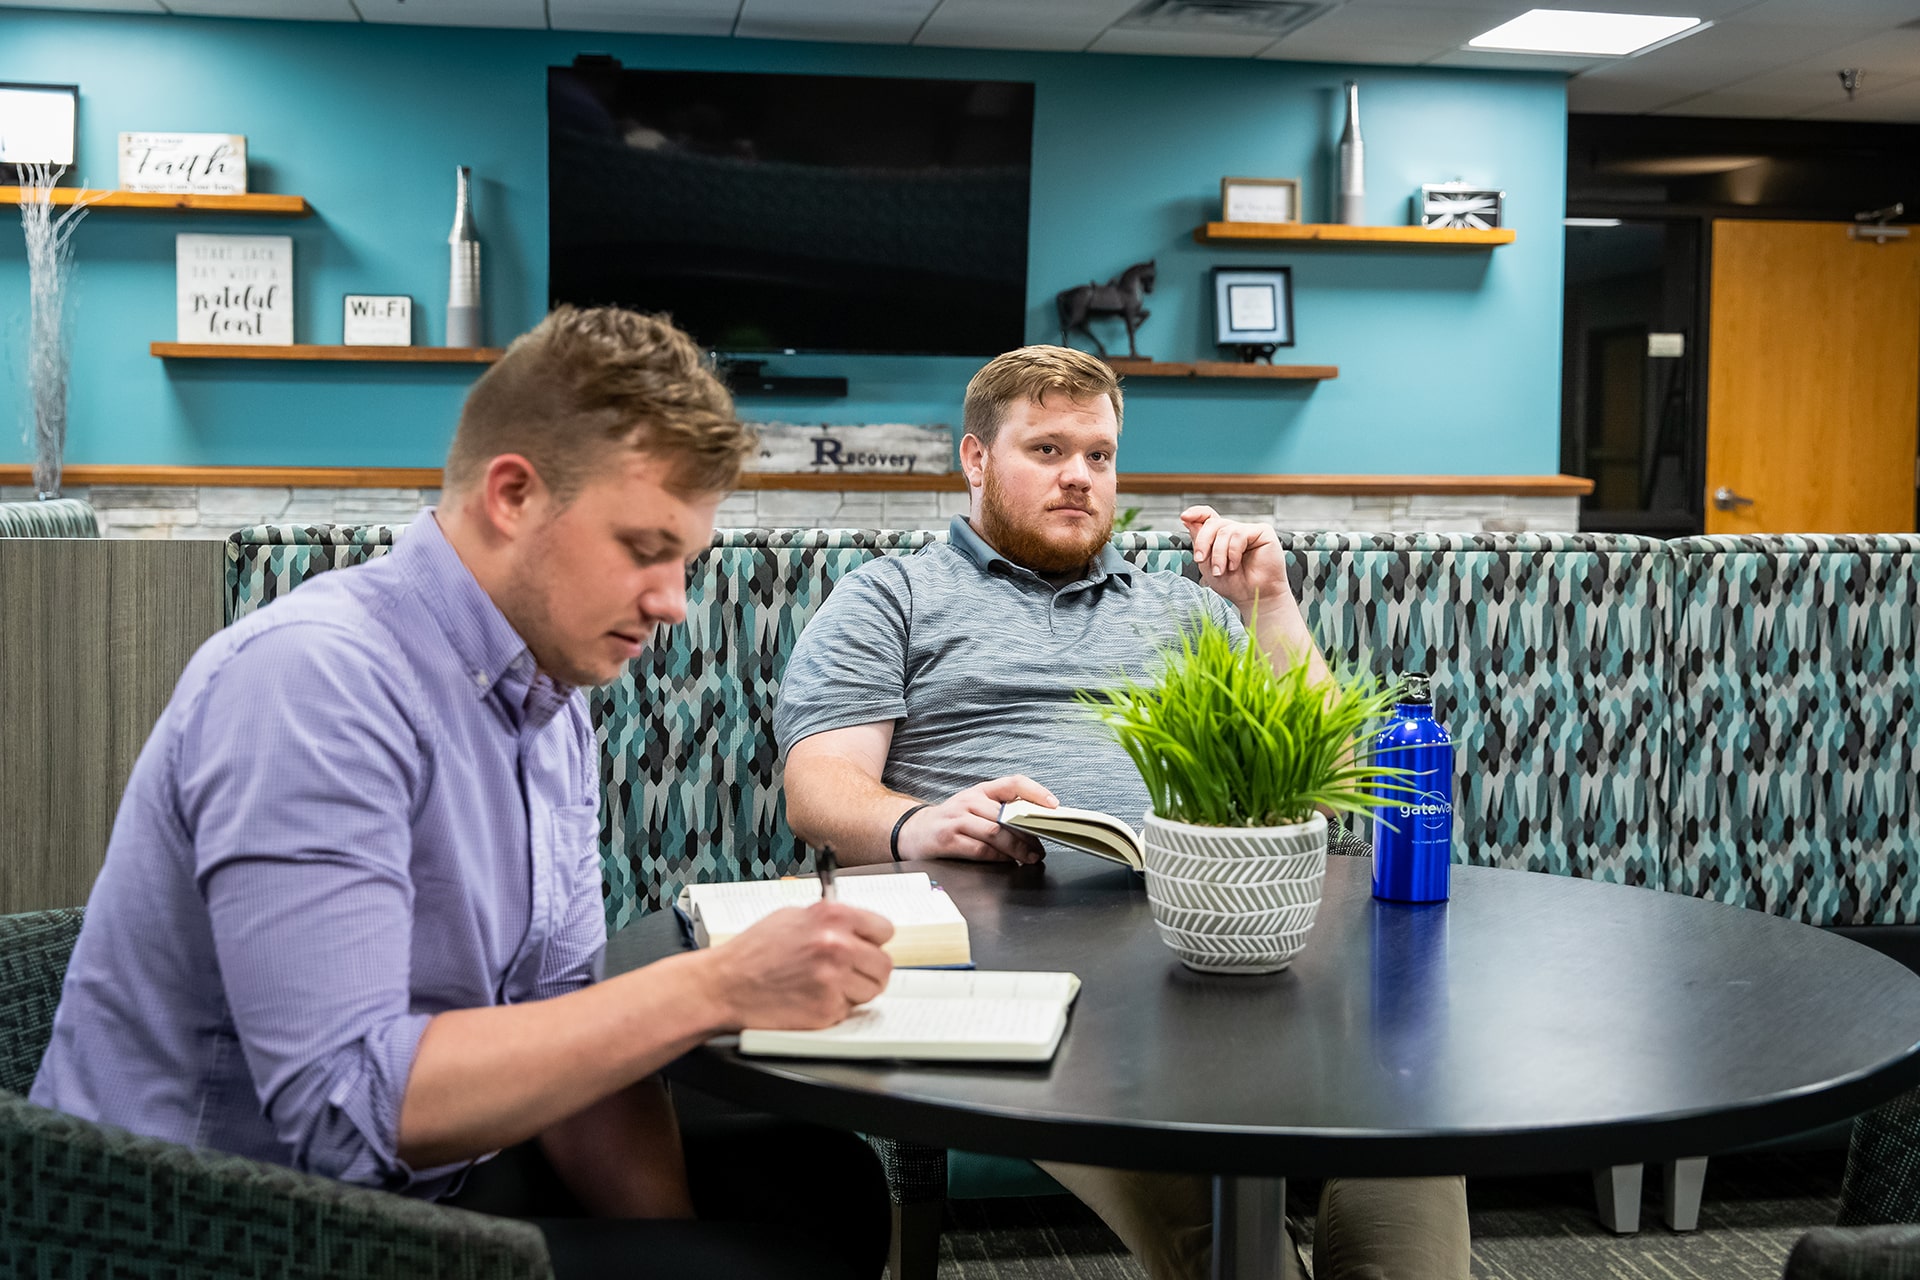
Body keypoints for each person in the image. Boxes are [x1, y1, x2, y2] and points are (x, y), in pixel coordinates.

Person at [33, 306, 894, 1280]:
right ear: (513, 494)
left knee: (826, 1185)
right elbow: (345, 1112)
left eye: (686, 559)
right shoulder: (313, 682)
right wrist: (714, 985)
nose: (672, 601)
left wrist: (669, 1239)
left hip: (429, 1170)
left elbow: (567, 1021)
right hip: (218, 1219)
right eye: (644, 546)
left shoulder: (549, 692)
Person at [775, 343, 1470, 1280]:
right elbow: (819, 789)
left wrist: (1270, 601)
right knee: (1225, 1243)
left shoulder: (1186, 610)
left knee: (1406, 1111)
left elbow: (1335, 770)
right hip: (1014, 964)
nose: (1079, 477)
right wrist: (923, 823)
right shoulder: (888, 597)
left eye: (1098, 455)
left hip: (1208, 936)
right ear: (975, 460)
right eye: (1048, 450)